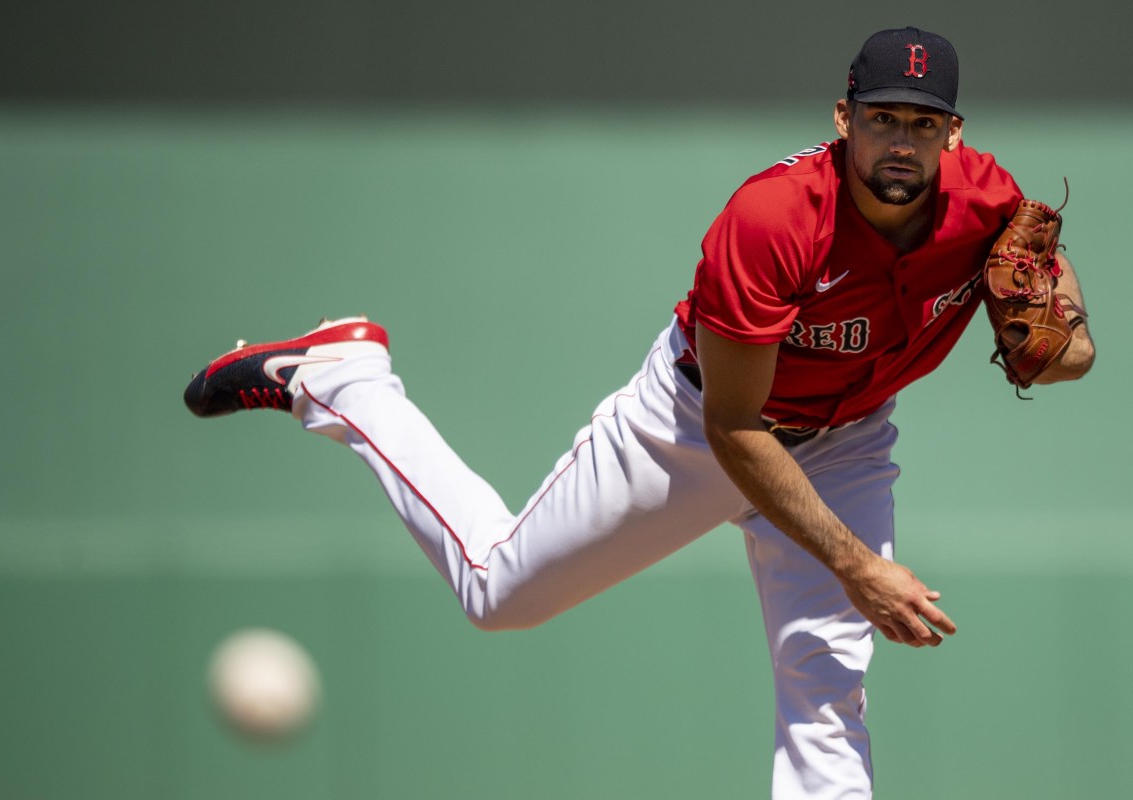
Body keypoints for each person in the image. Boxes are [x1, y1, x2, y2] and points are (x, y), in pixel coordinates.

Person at [184, 27, 1094, 799]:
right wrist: (854, 564)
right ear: (843, 119)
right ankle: (347, 382)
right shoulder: (773, 221)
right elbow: (736, 432)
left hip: (847, 437)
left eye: (923, 124)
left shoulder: (988, 202)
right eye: (884, 117)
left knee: (827, 683)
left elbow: (1069, 346)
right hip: (695, 426)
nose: (903, 140)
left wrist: (1062, 340)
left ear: (954, 133)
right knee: (501, 596)